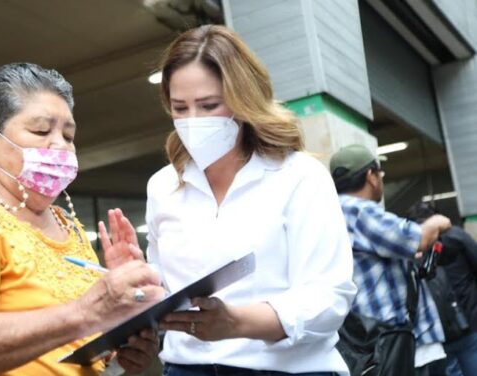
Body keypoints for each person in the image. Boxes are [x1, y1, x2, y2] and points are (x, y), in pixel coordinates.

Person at [0, 63, 166, 376]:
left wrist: (121, 340)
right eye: (41, 131)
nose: (60, 145)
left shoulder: (69, 226)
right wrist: (87, 312)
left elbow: (76, 351)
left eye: (68, 134)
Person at [145, 25, 357, 375]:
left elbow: (329, 297)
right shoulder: (163, 187)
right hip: (187, 368)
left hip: (288, 369)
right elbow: (165, 292)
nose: (192, 121)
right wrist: (137, 283)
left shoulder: (299, 176)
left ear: (244, 101)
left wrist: (237, 323)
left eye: (209, 105)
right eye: (180, 108)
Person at [329, 144, 452, 375]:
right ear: (371, 177)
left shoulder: (332, 212)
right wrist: (437, 222)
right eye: (380, 174)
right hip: (399, 343)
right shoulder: (358, 210)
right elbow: (419, 237)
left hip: (373, 344)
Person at [408, 202, 477, 376]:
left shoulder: (411, 246)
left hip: (437, 329)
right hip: (469, 318)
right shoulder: (456, 236)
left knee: (452, 369)